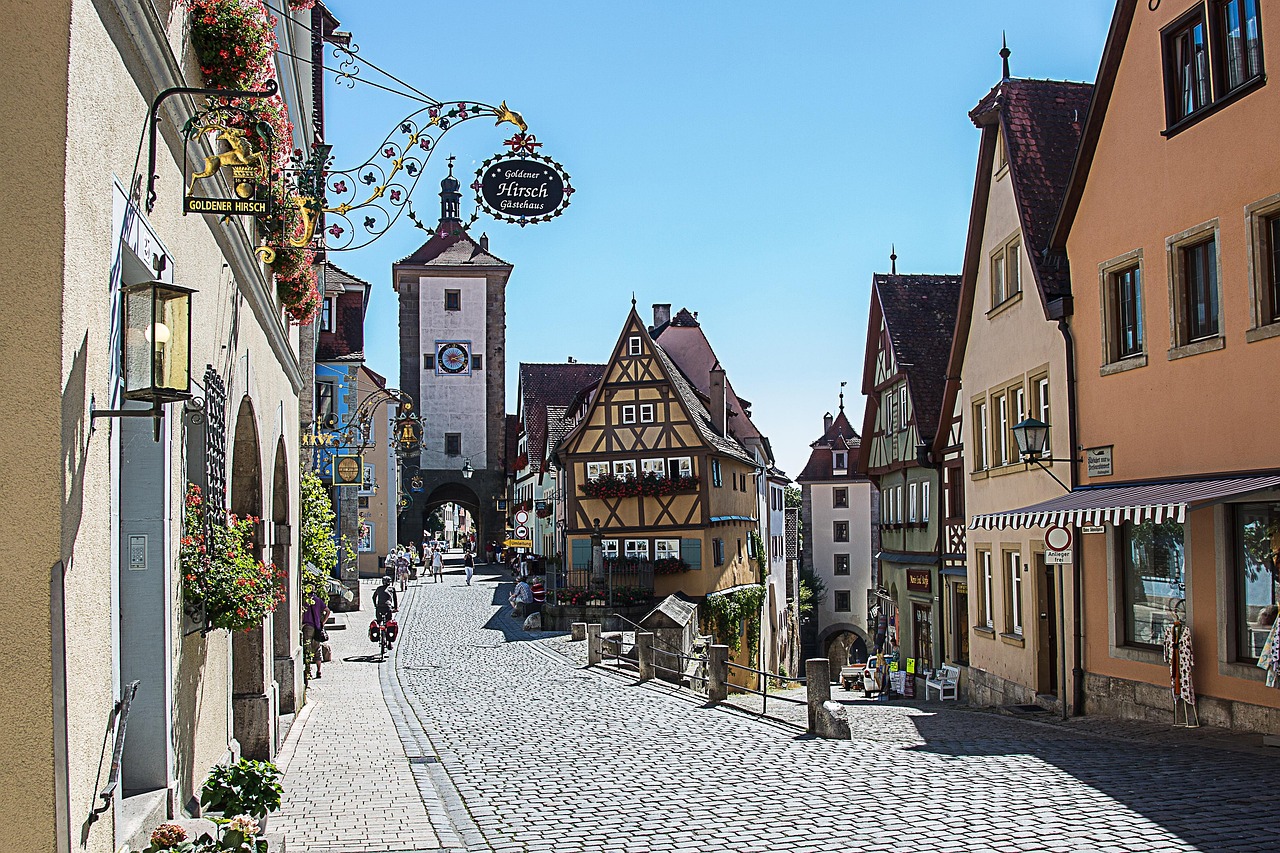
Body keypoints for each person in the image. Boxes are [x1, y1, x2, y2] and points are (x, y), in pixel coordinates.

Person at [302, 590, 330, 679]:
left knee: (307, 648)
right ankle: (319, 671)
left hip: (307, 626)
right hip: (317, 627)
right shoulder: (318, 600)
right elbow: (327, 611)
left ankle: (308, 671)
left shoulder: (304, 600)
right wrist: (323, 622)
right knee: (317, 648)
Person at [372, 575, 399, 646]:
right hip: (388, 608)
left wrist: (375, 605)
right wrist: (396, 608)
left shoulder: (378, 588)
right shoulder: (392, 589)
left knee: (378, 621)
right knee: (388, 623)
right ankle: (389, 643)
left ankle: (378, 635)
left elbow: (373, 597)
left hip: (379, 608)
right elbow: (395, 599)